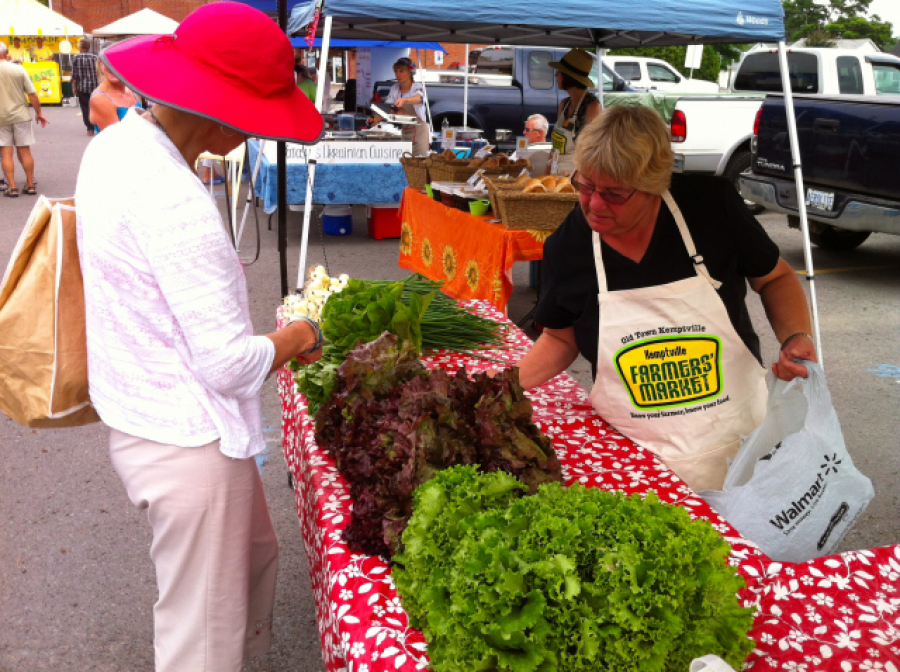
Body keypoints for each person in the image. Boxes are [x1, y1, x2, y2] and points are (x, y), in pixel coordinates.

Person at [74, 3, 324, 670]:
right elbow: (230, 366)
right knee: (200, 638)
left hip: (142, 415)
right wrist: (299, 334)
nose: (250, 128)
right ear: (219, 109)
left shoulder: (115, 145)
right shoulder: (177, 202)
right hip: (189, 440)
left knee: (253, 560)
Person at [510, 106, 816, 492]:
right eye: (585, 185)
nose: (595, 204)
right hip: (638, 464)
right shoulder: (568, 246)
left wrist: (795, 336)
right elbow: (560, 337)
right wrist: (502, 385)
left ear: (655, 184)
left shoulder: (710, 206)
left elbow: (774, 277)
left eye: (615, 193)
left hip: (745, 443)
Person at [0, 43, 48, 197]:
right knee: (24, 150)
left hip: (1, 117)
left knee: (6, 152)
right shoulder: (18, 69)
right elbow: (32, 94)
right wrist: (39, 112)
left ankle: (12, 187)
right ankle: (30, 184)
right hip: (21, 115)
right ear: (6, 54)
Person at [548, 49, 602, 175]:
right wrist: (545, 175)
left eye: (560, 72)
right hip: (555, 174)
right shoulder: (564, 104)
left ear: (569, 76)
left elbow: (594, 153)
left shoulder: (592, 107)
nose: (556, 75)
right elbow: (555, 148)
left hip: (575, 179)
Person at [369, 57, 430, 156]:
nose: (398, 74)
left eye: (401, 71)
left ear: (410, 72)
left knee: (419, 163)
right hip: (405, 131)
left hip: (420, 133)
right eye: (396, 71)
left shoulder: (417, 87)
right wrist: (375, 120)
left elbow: (419, 98)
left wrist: (405, 100)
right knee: (406, 162)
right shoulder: (395, 88)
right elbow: (388, 109)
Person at [89, 58, 142, 133]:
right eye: (108, 60)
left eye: (119, 61)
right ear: (101, 64)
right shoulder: (100, 99)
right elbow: (116, 140)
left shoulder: (134, 92)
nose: (113, 66)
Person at [71, 38, 99, 136]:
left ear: (80, 47)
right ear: (88, 47)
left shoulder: (75, 58)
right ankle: (98, 125)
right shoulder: (95, 57)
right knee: (95, 106)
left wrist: (74, 87)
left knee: (85, 107)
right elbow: (99, 73)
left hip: (82, 86)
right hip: (94, 86)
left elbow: (74, 75)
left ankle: (90, 128)